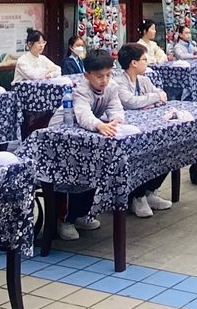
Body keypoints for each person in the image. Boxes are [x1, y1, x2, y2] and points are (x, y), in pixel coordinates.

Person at [55, 50, 120, 240]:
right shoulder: (80, 90)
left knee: (92, 174)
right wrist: (99, 125)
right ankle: (65, 220)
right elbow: (83, 115)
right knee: (70, 178)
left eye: (108, 75)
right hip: (62, 138)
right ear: (87, 75)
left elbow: (115, 107)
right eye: (99, 76)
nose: (104, 80)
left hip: (87, 138)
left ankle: (83, 214)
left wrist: (116, 121)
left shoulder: (112, 86)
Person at [112, 43, 175, 216]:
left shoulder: (144, 80)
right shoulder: (118, 82)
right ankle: (137, 196)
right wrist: (152, 98)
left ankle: (150, 191)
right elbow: (131, 102)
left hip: (150, 127)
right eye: (144, 59)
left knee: (168, 151)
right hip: (128, 133)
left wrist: (150, 100)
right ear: (134, 63)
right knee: (140, 158)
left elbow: (162, 95)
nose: (146, 62)